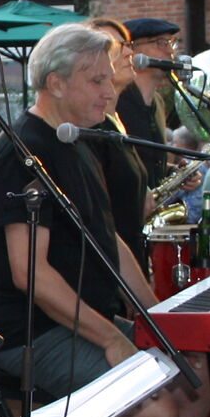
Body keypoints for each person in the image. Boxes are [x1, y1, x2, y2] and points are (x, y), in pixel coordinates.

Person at [0, 24, 210, 417]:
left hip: (80, 322)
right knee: (155, 415)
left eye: (109, 79)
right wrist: (111, 339)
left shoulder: (79, 140)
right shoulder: (22, 153)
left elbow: (110, 241)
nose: (110, 92)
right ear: (55, 83)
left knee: (196, 382)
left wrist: (156, 316)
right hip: (30, 332)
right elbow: (30, 274)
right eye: (96, 80)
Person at [85, 17, 152, 267]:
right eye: (116, 45)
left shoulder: (116, 119)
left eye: (128, 44)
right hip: (110, 266)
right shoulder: (91, 128)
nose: (128, 52)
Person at [118, 15, 180, 181]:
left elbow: (147, 162)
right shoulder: (114, 100)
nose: (170, 51)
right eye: (161, 43)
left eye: (171, 43)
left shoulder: (157, 102)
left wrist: (170, 171)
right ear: (133, 50)